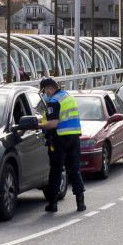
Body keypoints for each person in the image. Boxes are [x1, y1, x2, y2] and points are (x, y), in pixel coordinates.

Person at [38, 77, 86, 212]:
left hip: (59, 139)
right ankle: (80, 202)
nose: (45, 94)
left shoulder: (53, 102)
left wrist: (37, 125)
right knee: (74, 170)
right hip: (74, 137)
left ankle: (53, 204)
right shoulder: (67, 96)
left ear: (50, 88)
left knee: (56, 171)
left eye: (45, 91)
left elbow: (53, 123)